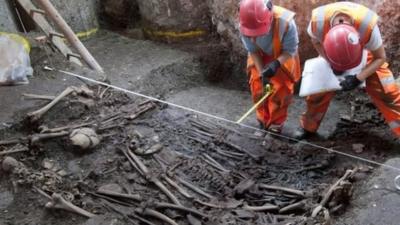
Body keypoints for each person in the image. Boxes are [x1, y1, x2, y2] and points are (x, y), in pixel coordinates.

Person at [295, 1, 400, 139]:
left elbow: (380, 57)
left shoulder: (367, 26)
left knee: (388, 91)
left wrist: (358, 78)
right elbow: (315, 41)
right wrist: (330, 61)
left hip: (364, 54)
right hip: (331, 54)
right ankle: (308, 127)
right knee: (317, 93)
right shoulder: (318, 23)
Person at [239, 0, 301, 134]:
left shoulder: (286, 23)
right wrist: (262, 73)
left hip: (283, 55)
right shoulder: (245, 24)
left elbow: (290, 50)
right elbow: (253, 51)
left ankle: (275, 124)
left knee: (281, 89)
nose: (256, 35)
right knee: (257, 86)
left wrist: (275, 64)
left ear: (270, 17)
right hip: (259, 55)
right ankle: (262, 119)